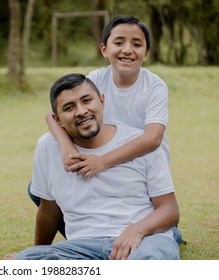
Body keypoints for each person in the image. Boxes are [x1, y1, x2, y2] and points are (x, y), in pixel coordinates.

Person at [27, 15, 183, 245]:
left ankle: (157, 229)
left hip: (137, 162)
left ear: (147, 52)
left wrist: (103, 161)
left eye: (137, 44)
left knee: (145, 203)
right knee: (37, 189)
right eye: (119, 42)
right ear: (104, 48)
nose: (127, 50)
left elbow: (153, 138)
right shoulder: (96, 79)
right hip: (99, 156)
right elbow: (53, 116)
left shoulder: (154, 86)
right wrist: (66, 147)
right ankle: (90, 237)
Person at [15, 73, 180, 260]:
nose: (81, 111)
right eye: (69, 108)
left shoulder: (138, 143)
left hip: (144, 240)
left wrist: (137, 230)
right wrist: (36, 256)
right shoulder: (48, 146)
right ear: (57, 120)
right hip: (82, 246)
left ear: (102, 101)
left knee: (150, 261)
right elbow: (49, 210)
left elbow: (169, 210)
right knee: (26, 261)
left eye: (87, 101)